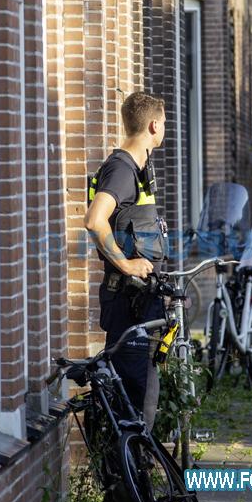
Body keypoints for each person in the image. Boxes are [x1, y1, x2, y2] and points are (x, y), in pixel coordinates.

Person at [84, 91, 168, 432]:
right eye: (163, 123)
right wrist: (127, 265)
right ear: (152, 125)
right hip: (129, 304)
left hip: (141, 302)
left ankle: (135, 476)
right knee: (135, 399)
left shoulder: (138, 169)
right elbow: (94, 220)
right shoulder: (121, 170)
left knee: (140, 394)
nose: (164, 129)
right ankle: (129, 478)